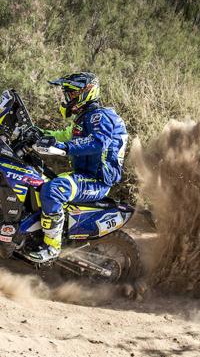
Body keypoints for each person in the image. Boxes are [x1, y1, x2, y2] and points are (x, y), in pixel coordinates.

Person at [27, 72, 128, 263]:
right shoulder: (85, 118)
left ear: (85, 92)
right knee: (37, 180)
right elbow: (63, 135)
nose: (68, 98)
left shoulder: (100, 116)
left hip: (96, 181)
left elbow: (98, 142)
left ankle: (52, 247)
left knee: (53, 190)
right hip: (83, 175)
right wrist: (37, 133)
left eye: (71, 94)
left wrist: (63, 148)